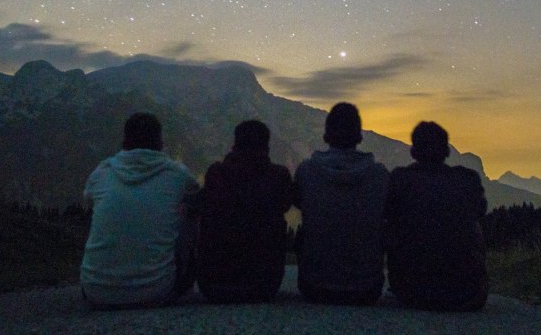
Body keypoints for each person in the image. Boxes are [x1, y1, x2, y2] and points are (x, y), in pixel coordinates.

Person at [80, 112, 199, 308]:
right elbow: (196, 200)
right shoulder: (177, 173)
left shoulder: (101, 172)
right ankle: (181, 280)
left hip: (95, 291)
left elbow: (88, 201)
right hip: (158, 290)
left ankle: (102, 268)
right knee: (189, 210)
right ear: (160, 142)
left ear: (125, 141)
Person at [384, 121, 488, 311]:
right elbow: (480, 211)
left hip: (410, 291)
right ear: (447, 151)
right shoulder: (468, 181)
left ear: (413, 152)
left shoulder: (400, 180)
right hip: (467, 293)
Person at [293, 102, 389, 305]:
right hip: (366, 289)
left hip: (314, 287)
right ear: (359, 137)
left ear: (326, 136)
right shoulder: (380, 176)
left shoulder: (306, 172)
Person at [190, 120, 294, 303]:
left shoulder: (216, 174)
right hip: (265, 286)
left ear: (234, 145)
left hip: (214, 286)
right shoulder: (279, 176)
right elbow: (286, 205)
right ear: (267, 147)